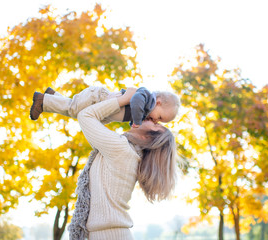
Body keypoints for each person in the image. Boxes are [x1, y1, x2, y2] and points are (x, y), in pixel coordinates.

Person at [30, 87, 178, 239]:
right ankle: (55, 100)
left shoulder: (121, 149)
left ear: (148, 139)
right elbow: (90, 116)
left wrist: (123, 99)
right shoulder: (125, 150)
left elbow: (86, 115)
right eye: (156, 120)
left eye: (156, 124)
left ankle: (52, 100)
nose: (153, 119)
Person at [29, 86, 180, 127]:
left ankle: (54, 97)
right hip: (98, 99)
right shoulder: (146, 97)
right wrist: (138, 123)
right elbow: (135, 102)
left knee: (73, 111)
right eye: (159, 117)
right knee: (74, 109)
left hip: (101, 107)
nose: (156, 121)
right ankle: (43, 100)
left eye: (160, 122)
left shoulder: (145, 110)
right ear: (158, 102)